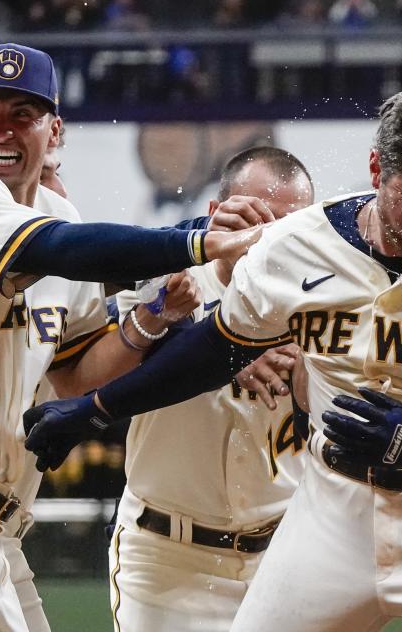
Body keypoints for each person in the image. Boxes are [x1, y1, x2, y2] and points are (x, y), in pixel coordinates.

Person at [24, 83, 402, 631]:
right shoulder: (300, 244)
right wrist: (97, 407)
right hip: (332, 515)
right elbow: (215, 348)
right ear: (377, 170)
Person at [0, 41, 249, 631]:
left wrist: (152, 319)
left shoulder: (57, 215)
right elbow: (59, 251)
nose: (0, 130)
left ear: (56, 130)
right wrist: (198, 238)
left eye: (21, 114)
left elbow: (76, 373)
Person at [108, 146, 314, 631]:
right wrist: (224, 351)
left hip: (283, 554)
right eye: (260, 219)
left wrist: (312, 364)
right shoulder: (166, 276)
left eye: (293, 225)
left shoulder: (324, 300)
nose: (274, 239)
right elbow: (115, 365)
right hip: (167, 555)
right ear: (217, 214)